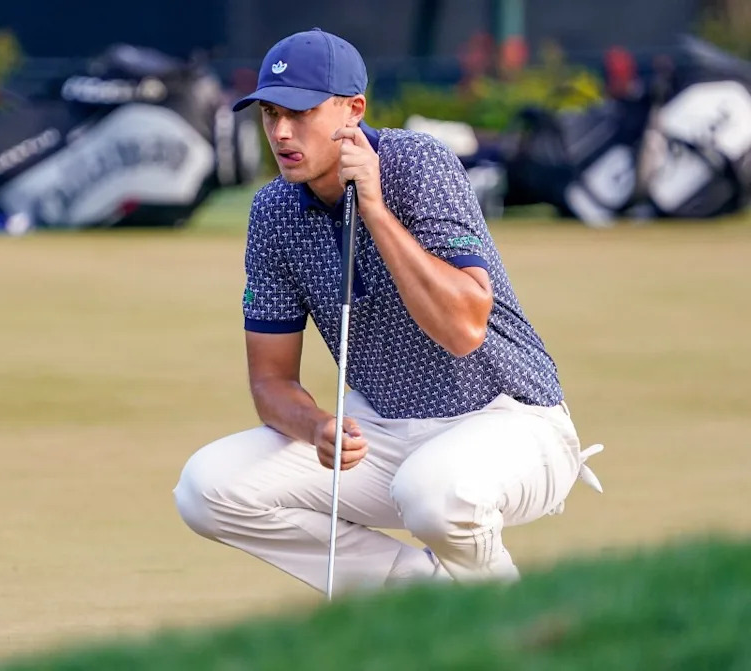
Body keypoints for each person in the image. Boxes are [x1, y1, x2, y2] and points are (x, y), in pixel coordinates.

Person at [173, 28, 603, 594]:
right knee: (207, 488)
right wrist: (318, 426)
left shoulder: (417, 163)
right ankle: (422, 594)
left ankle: (509, 614)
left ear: (353, 111)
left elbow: (464, 328)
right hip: (381, 433)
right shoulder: (274, 210)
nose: (280, 133)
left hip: (510, 421)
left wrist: (374, 209)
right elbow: (270, 382)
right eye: (270, 113)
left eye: (299, 113)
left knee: (434, 493)